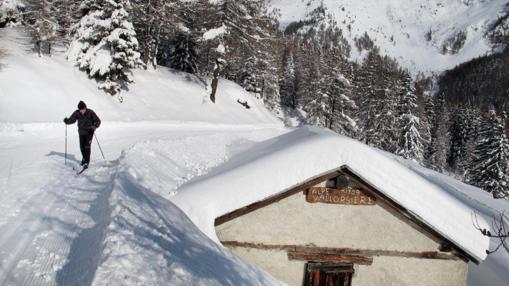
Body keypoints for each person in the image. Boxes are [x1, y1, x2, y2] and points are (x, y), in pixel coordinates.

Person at [64, 101, 101, 169]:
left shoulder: (90, 112)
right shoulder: (77, 112)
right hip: (81, 132)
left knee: (87, 146)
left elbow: (98, 121)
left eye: (83, 109)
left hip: (89, 132)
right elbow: (72, 119)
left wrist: (94, 126)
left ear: (85, 108)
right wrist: (67, 121)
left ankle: (87, 162)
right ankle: (84, 159)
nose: (82, 111)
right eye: (80, 110)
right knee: (82, 146)